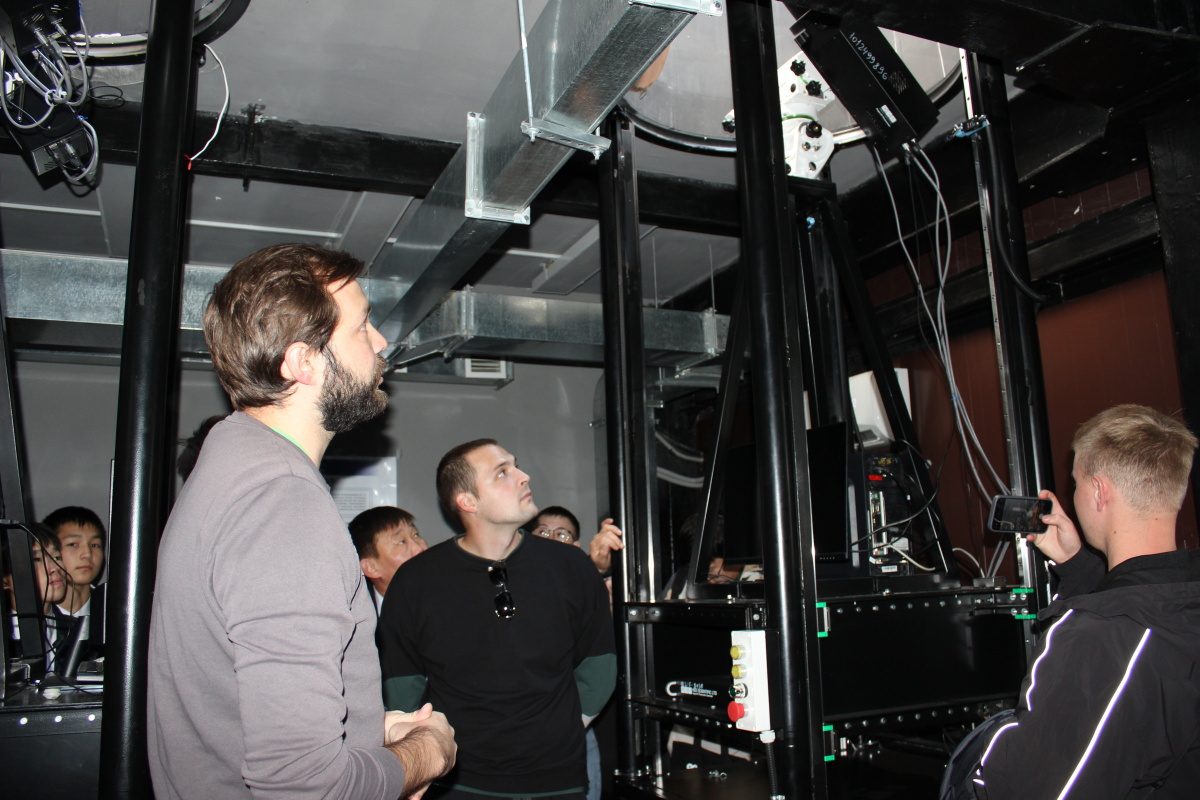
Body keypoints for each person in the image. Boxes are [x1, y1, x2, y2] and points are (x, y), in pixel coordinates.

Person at [147, 243, 456, 800]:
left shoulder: (233, 466)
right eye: (361, 327)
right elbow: (305, 786)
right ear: (301, 362)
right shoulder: (280, 500)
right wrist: (426, 753)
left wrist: (367, 733)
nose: (380, 342)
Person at [943, 404, 1200, 798]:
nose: (1073, 494)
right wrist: (1077, 565)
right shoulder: (1176, 604)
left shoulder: (1101, 638)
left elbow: (1023, 788)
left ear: (1098, 491)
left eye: (1077, 483)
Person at [378, 439, 616, 800]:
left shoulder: (572, 566)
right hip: (458, 782)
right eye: (503, 472)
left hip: (558, 779)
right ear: (467, 501)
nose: (523, 476)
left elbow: (599, 665)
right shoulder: (416, 580)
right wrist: (428, 750)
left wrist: (562, 728)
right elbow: (402, 682)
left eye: (515, 465)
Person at [43, 506, 105, 655]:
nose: (87, 554)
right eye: (73, 544)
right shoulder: (34, 617)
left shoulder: (113, 611)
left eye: (94, 545)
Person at [3, 524, 68, 669]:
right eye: (36, 559)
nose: (54, 568)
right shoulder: (4, 640)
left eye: (57, 557)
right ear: (5, 579)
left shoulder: (78, 633)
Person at [350, 505, 428, 614]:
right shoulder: (355, 617)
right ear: (371, 567)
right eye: (402, 542)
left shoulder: (447, 596)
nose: (419, 548)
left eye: (416, 535)